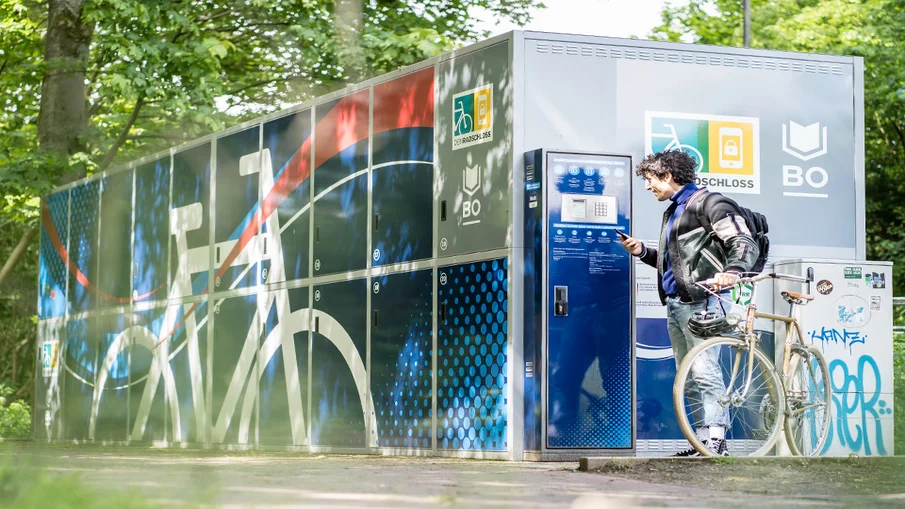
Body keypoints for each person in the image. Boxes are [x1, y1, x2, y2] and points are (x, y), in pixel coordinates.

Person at [619, 149, 760, 456]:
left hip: (703, 302)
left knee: (705, 373)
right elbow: (677, 264)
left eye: (650, 179)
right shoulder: (675, 210)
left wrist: (733, 271)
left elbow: (742, 241)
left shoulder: (711, 203)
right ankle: (702, 443)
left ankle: (717, 442)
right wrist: (642, 251)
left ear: (668, 175)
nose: (648, 186)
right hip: (676, 304)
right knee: (690, 377)